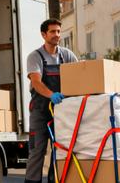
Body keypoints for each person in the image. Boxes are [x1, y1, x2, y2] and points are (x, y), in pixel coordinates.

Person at [25, 19, 78, 183]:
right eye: (52, 32)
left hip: (61, 112)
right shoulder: (35, 56)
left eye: (58, 32)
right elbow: (36, 82)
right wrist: (52, 95)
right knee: (37, 151)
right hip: (40, 110)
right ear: (43, 34)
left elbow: (79, 75)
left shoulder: (67, 55)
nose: (56, 35)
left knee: (60, 151)